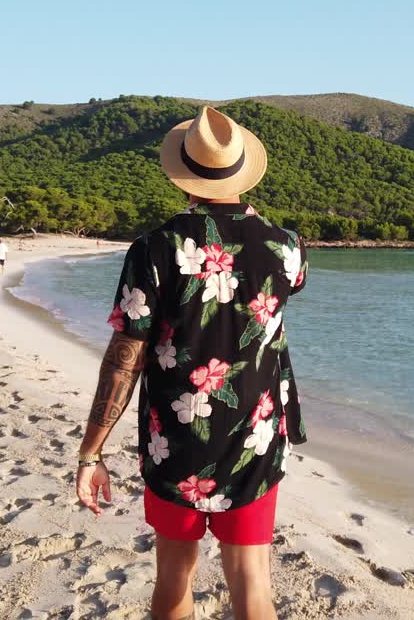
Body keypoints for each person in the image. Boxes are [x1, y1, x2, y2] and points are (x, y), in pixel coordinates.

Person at [74, 107, 309, 620]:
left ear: (182, 174)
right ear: (242, 170)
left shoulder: (153, 250)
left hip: (174, 440)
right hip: (255, 436)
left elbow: (124, 361)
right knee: (251, 581)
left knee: (174, 576)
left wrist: (91, 452)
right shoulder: (288, 249)